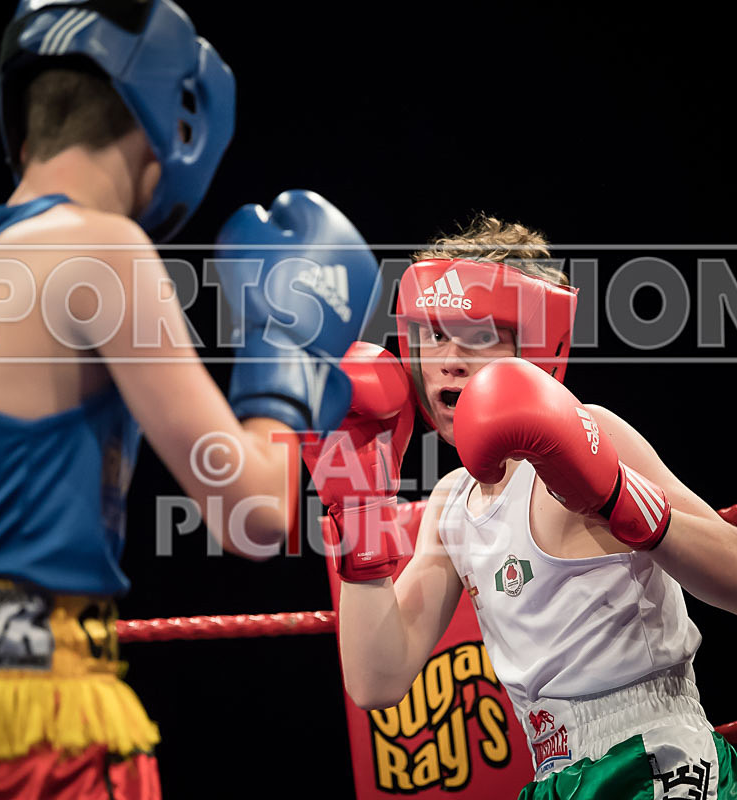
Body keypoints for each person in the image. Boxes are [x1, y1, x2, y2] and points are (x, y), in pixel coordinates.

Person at [0, 1, 379, 797]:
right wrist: (287, 353)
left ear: (25, 126)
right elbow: (254, 509)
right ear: (172, 117)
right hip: (32, 715)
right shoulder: (100, 247)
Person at [304, 214, 737, 798]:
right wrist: (358, 512)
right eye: (433, 334)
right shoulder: (451, 505)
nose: (449, 358)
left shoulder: (595, 434)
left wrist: (617, 498)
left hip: (656, 753)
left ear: (535, 346)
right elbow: (376, 678)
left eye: (478, 334)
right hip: (552, 777)